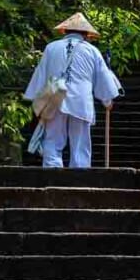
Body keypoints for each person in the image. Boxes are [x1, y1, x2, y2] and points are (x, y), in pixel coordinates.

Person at [24, 13, 122, 168]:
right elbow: (102, 76)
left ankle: (52, 173)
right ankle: (79, 178)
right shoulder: (92, 51)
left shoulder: (51, 47)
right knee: (80, 143)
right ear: (86, 34)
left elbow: (41, 74)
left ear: (65, 31)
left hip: (55, 98)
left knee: (52, 140)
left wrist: (34, 98)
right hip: (81, 101)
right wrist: (107, 100)